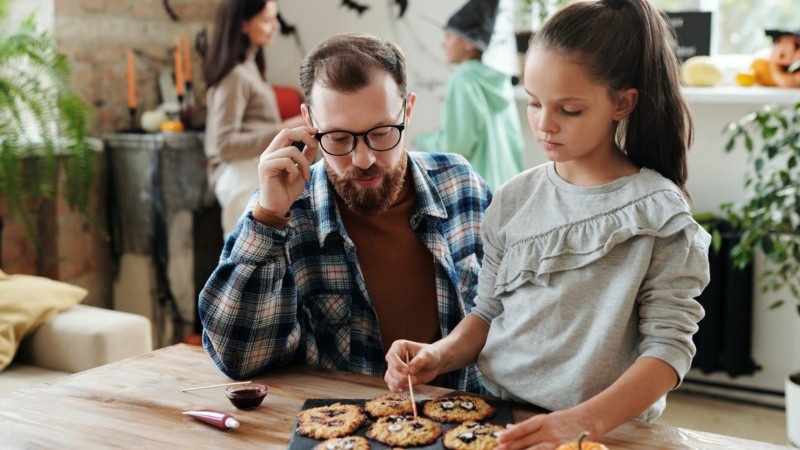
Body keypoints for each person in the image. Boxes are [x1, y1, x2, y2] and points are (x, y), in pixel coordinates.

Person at [385, 0, 711, 447]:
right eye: (534, 103)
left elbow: (668, 350)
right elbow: (486, 314)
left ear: (622, 103)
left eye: (569, 110)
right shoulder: (515, 197)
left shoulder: (659, 213)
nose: (544, 124)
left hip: (604, 431)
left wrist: (585, 423)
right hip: (496, 415)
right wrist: (437, 355)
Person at [199, 33, 492, 393]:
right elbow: (238, 358)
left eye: (383, 133)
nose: (363, 159)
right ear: (309, 121)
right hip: (341, 433)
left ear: (408, 110)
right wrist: (270, 217)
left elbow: (509, 315)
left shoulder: (462, 186)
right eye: (338, 139)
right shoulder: (284, 212)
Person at [203, 0, 306, 238]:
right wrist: (284, 129)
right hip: (239, 175)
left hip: (252, 169)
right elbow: (222, 145)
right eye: (267, 20)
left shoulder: (250, 68)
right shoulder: (235, 76)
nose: (276, 26)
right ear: (243, 25)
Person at [414, 0, 524, 190]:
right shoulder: (501, 81)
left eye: (448, 37)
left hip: (480, 192)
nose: (443, 44)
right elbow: (515, 144)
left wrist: (422, 140)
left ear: (467, 43)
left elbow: (456, 146)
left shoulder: (463, 78)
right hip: (511, 187)